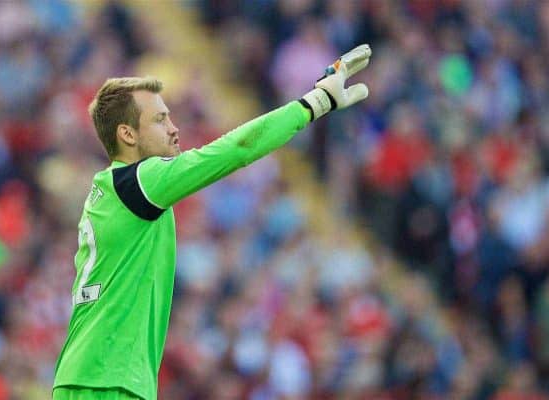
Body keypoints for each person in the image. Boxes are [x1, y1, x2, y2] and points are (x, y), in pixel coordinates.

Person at [52, 44, 372, 400]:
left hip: (93, 375)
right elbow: (237, 149)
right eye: (159, 119)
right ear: (127, 135)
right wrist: (314, 103)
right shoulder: (141, 180)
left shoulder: (111, 191)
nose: (174, 129)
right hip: (107, 380)